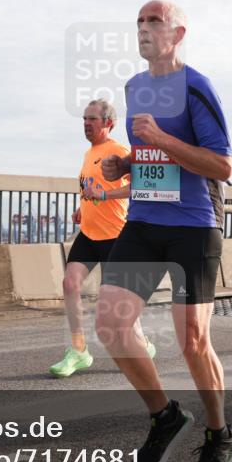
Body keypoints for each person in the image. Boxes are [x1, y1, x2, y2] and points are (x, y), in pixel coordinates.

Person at [96, 0, 232, 462]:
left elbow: (221, 166)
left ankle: (220, 435)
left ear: (177, 34)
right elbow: (148, 152)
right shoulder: (135, 87)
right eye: (138, 21)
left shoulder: (196, 88)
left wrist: (160, 136)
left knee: (192, 340)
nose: (143, 28)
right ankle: (165, 416)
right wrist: (127, 164)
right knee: (111, 324)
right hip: (143, 220)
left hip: (193, 225)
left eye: (153, 21)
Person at [50, 99, 156, 378]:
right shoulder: (89, 154)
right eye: (84, 119)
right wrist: (82, 207)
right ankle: (78, 351)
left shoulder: (119, 151)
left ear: (108, 123)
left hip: (116, 237)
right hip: (89, 233)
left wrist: (106, 196)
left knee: (120, 306)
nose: (86, 123)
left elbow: (141, 185)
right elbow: (92, 188)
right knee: (70, 283)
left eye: (92, 119)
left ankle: (142, 343)